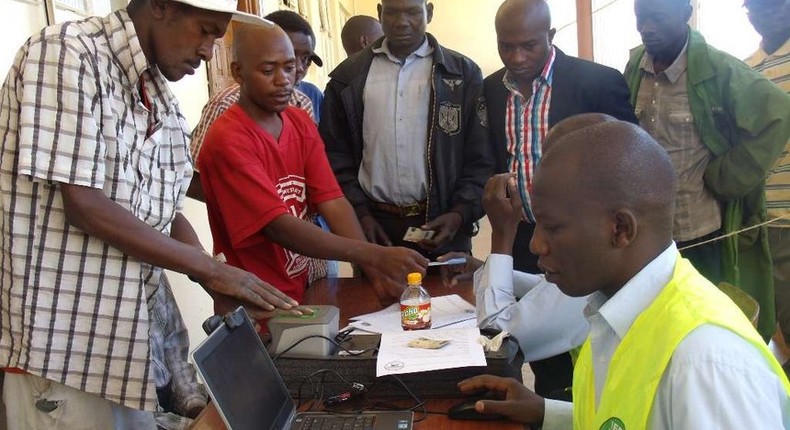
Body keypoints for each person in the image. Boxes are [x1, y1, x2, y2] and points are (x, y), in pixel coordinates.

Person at [0, 0, 301, 428]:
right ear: (160, 7)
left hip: (126, 346)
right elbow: (84, 206)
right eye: (204, 30)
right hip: (61, 348)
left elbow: (166, 212)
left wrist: (212, 276)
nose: (208, 49)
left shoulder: (160, 96)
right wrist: (209, 269)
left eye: (217, 36)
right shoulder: (65, 53)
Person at [457, 115, 790, 429]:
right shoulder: (613, 312)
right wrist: (546, 411)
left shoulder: (705, 364)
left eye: (553, 227)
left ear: (620, 229)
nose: (536, 245)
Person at [197, 24, 428, 313]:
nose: (283, 80)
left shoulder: (298, 121)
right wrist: (376, 255)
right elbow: (278, 227)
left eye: (289, 67)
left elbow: (332, 201)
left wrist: (374, 270)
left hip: (305, 291)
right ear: (238, 72)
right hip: (257, 304)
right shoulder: (228, 138)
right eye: (268, 71)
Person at [483, 0, 637, 397]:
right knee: (543, 358)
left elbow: (631, 161)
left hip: (580, 236)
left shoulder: (597, 82)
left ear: (551, 36)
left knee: (554, 340)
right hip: (522, 233)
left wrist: (496, 245)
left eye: (528, 46)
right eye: (506, 46)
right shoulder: (490, 89)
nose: (516, 58)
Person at [623, 0, 790, 340]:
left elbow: (778, 115)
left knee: (705, 328)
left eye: (658, 18)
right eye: (641, 19)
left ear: (685, 14)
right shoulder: (636, 65)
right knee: (657, 326)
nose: (648, 28)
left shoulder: (718, 68)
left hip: (700, 233)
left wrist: (727, 177)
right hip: (651, 236)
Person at [319, 0, 494, 260]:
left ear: (429, 12)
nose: (402, 22)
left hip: (443, 228)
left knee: (451, 301)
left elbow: (480, 155)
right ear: (380, 13)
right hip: (377, 228)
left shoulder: (462, 74)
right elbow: (336, 155)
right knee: (376, 300)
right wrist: (360, 214)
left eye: (412, 12)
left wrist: (460, 213)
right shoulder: (348, 77)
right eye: (392, 12)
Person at [187, 10, 321, 202]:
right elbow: (194, 178)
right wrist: (246, 206)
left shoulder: (304, 105)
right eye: (289, 55)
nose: (299, 68)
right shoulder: (225, 105)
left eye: (305, 59)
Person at [744, 0, 790, 367]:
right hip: (771, 218)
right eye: (756, 7)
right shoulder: (746, 71)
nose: (767, 13)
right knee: (781, 309)